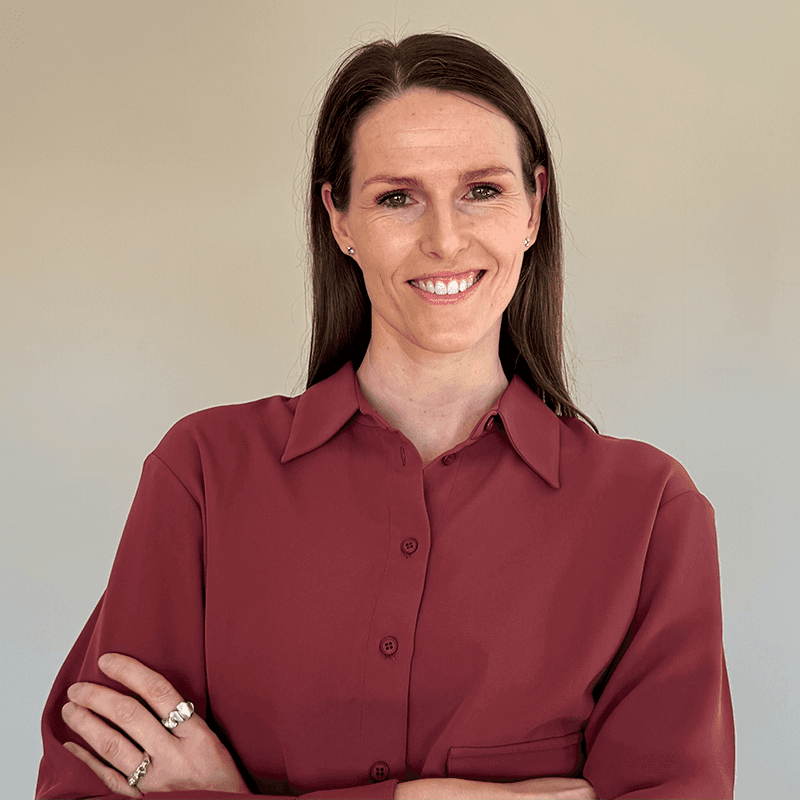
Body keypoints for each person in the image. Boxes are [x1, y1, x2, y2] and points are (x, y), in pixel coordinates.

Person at [35, 32, 735, 800]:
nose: (444, 239)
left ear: (535, 208)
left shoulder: (647, 513)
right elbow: (83, 780)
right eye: (397, 197)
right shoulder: (204, 471)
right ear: (339, 220)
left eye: (483, 190)